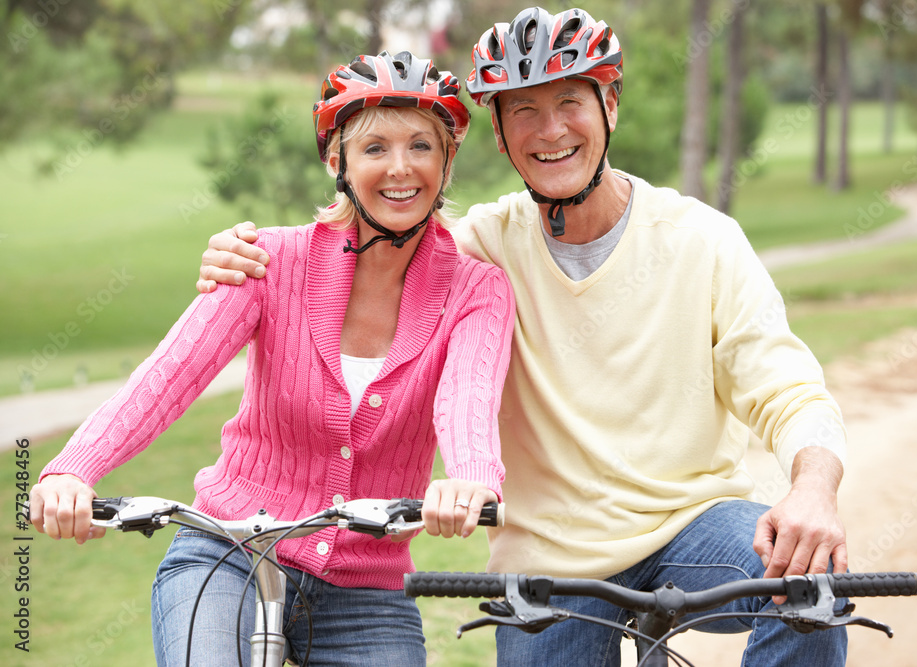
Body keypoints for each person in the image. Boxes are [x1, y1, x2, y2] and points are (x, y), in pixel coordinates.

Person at [197, 8, 851, 666]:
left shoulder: (703, 240)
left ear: (611, 106)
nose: (550, 130)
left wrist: (812, 489)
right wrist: (249, 256)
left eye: (570, 101)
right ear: (502, 136)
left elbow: (788, 386)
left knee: (807, 590)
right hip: (546, 557)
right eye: (524, 111)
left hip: (691, 526)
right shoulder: (475, 253)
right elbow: (360, 244)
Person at [30, 51, 515, 667]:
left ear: (446, 163)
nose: (401, 168)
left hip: (365, 588)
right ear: (336, 161)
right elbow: (164, 379)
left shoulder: (477, 289)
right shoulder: (266, 261)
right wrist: (72, 470)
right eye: (375, 148)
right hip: (227, 551)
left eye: (422, 146)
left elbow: (469, 398)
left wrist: (472, 480)